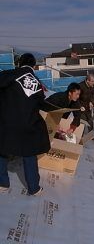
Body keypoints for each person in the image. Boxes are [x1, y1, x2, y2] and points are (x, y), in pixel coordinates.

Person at [0, 53, 50, 195]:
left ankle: (2, 183)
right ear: (33, 66)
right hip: (27, 124)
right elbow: (41, 103)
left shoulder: (7, 75)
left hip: (5, 123)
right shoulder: (34, 81)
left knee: (2, 151)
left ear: (19, 64)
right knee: (29, 153)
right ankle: (34, 188)